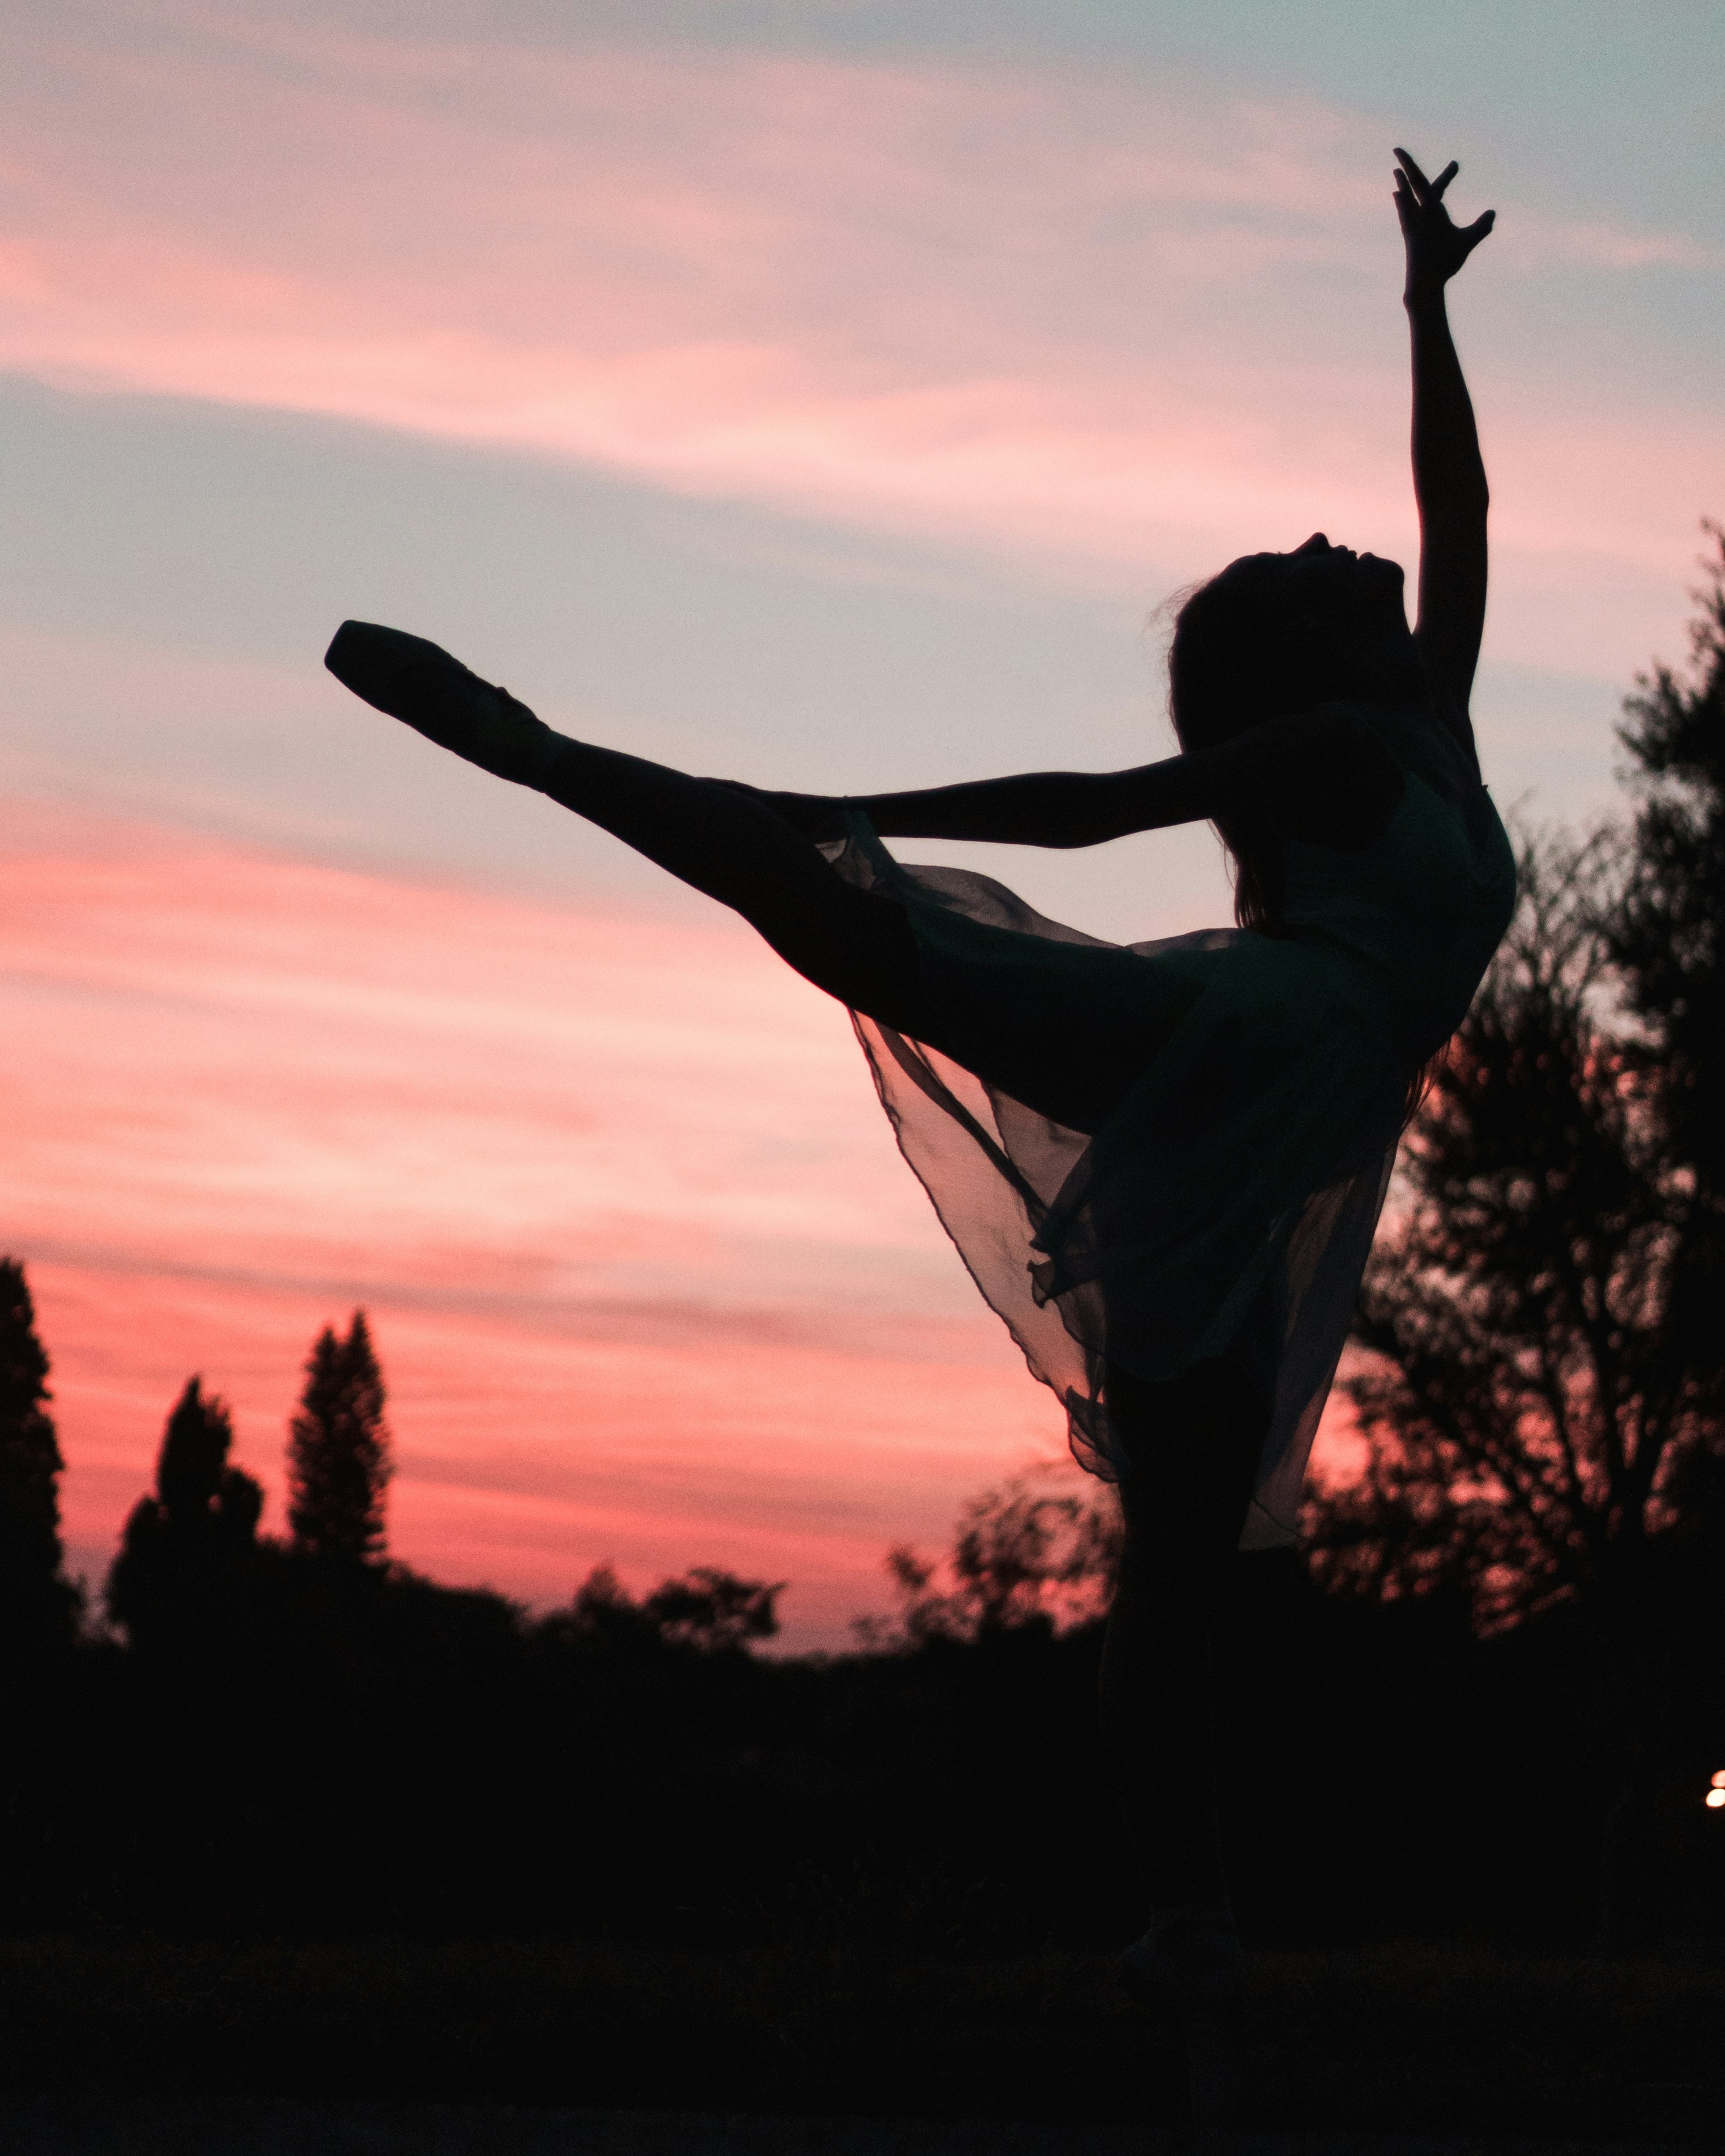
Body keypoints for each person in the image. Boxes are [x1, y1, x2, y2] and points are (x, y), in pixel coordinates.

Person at [323, 148, 1512, 2122]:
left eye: (1316, 547)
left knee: (1188, 1572)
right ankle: (539, 751)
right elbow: (1077, 808)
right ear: (1301, 665)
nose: (1335, 537)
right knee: (849, 924)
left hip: (1283, 1135)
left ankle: (1188, 1929)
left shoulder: (1421, 721)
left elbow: (1453, 508)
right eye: (1306, 562)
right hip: (1220, 1051)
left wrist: (1426, 304)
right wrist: (827, 796)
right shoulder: (1333, 746)